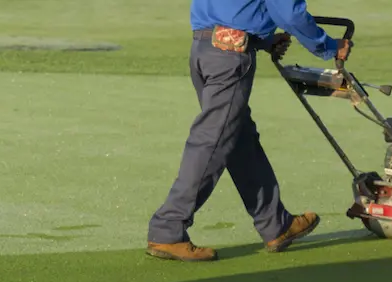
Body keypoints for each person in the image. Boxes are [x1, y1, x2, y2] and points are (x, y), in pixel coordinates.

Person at [145, 0, 353, 261]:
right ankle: (168, 229)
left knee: (240, 141)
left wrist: (263, 40)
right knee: (212, 143)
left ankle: (275, 223)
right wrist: (330, 45)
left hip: (204, 48)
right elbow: (289, 13)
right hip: (229, 59)